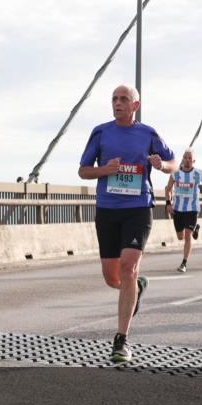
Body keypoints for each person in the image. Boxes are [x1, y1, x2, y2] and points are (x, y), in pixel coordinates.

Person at [79, 85, 178, 363]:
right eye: (114, 99)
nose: (118, 103)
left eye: (124, 99)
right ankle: (137, 288)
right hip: (108, 210)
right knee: (113, 278)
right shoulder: (101, 132)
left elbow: (172, 162)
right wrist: (105, 170)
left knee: (129, 267)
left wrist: (161, 165)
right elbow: (83, 171)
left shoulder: (148, 133)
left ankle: (121, 340)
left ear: (135, 105)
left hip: (138, 209)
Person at [165, 148, 202, 272]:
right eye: (185, 157)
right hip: (178, 209)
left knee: (187, 236)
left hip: (192, 208)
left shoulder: (198, 174)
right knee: (180, 237)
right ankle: (195, 227)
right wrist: (168, 204)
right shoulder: (175, 173)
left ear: (193, 161)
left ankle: (184, 263)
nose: (187, 160)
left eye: (189, 158)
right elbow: (168, 189)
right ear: (182, 159)